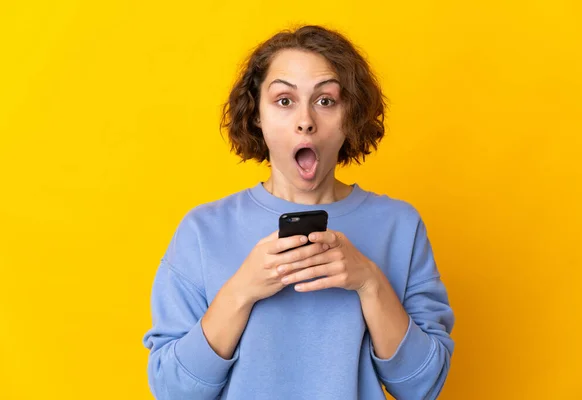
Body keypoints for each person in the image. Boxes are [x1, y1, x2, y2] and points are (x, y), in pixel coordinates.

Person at [142, 25, 455, 400]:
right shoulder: (202, 231)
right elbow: (173, 391)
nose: (305, 120)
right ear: (257, 114)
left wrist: (369, 282)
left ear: (349, 115)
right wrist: (242, 290)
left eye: (325, 101)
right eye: (284, 101)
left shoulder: (400, 227)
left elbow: (423, 385)